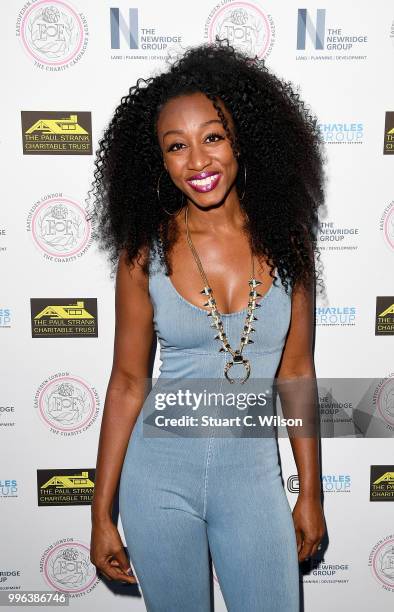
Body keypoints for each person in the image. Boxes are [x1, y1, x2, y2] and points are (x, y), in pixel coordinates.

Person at [87, 39, 327, 611]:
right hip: (157, 477)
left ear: (242, 140)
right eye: (177, 146)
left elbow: (295, 372)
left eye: (212, 137)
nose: (198, 162)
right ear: (159, 160)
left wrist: (310, 492)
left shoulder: (291, 246)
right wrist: (101, 511)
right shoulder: (144, 251)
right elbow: (126, 381)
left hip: (251, 479)